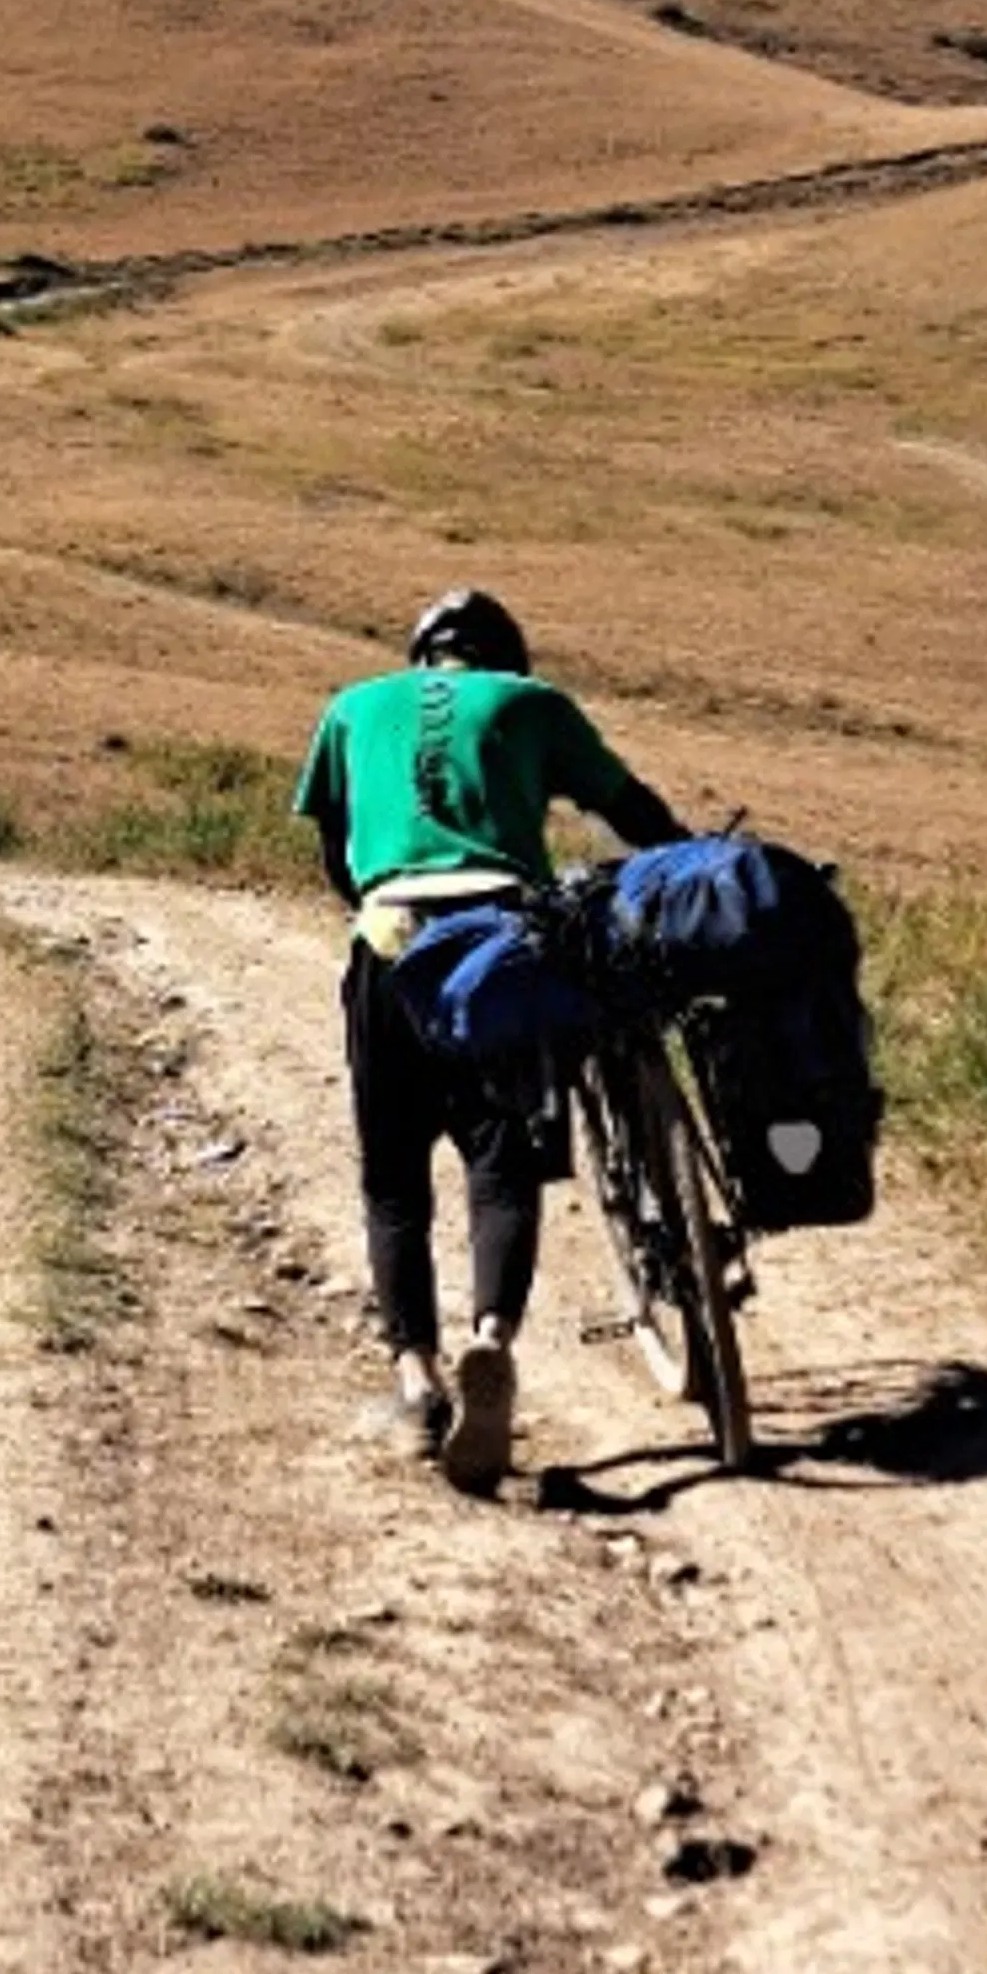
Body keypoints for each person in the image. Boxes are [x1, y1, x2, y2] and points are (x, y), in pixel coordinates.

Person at [294, 587, 685, 1495]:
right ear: (505, 657)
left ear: (421, 653)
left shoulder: (352, 708)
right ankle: (492, 1340)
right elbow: (631, 811)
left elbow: (335, 850)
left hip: (390, 936)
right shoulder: (531, 703)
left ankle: (417, 1382)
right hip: (505, 942)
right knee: (501, 1162)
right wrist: (681, 853)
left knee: (393, 1176)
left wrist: (379, 907)